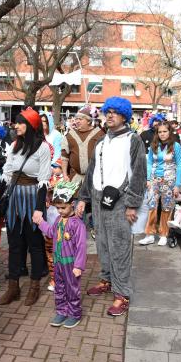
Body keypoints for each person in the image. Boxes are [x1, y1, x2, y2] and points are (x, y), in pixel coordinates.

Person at [77, 96, 146, 316]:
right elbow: (92, 172)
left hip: (120, 200)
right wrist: (83, 198)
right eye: (108, 111)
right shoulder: (101, 141)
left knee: (120, 246)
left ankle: (122, 293)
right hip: (98, 198)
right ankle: (106, 279)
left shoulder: (133, 140)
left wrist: (132, 203)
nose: (110, 115)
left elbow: (139, 173)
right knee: (103, 244)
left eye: (115, 112)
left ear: (124, 116)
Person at [0, 107, 51, 307]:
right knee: (15, 244)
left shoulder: (42, 148)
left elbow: (43, 180)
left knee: (34, 244)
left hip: (32, 197)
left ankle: (34, 287)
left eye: (20, 122)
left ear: (31, 125)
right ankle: (13, 288)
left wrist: (39, 209)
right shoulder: (15, 145)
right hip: (15, 199)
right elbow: (7, 175)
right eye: (16, 122)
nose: (16, 126)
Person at [36, 181, 87, 328]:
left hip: (70, 263)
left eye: (63, 208)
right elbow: (51, 232)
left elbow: (81, 247)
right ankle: (62, 311)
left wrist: (78, 266)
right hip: (58, 262)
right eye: (57, 208)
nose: (60, 211)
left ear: (72, 203)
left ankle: (74, 313)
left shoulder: (77, 224)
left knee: (72, 289)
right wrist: (41, 223)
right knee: (59, 287)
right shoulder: (58, 219)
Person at [139, 121, 181, 246]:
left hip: (169, 180)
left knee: (166, 207)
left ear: (169, 132)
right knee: (151, 205)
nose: (162, 134)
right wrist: (148, 179)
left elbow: (180, 165)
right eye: (160, 132)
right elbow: (149, 163)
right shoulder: (154, 145)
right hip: (154, 180)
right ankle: (149, 234)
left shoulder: (176, 146)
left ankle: (164, 233)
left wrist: (178, 184)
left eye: (165, 131)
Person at [61, 105, 104, 184]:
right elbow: (64, 157)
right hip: (74, 179)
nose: (77, 121)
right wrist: (64, 174)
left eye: (80, 119)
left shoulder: (100, 134)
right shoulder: (70, 135)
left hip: (94, 179)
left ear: (88, 121)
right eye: (76, 119)